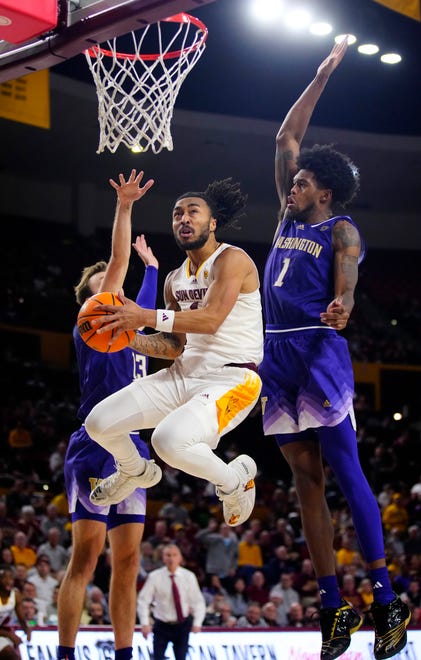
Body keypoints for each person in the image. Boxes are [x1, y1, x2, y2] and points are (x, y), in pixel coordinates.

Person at [258, 38, 411, 660]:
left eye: (300, 182)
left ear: (322, 190)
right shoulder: (286, 222)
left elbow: (347, 272)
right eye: (292, 182)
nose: (290, 185)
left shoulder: (337, 227)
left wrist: (344, 303)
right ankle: (331, 604)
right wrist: (320, 75)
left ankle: (385, 597)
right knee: (304, 481)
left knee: (345, 470)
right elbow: (284, 139)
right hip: (274, 356)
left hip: (319, 350)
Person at [85, 177, 263, 528]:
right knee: (98, 423)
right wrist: (126, 335)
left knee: (168, 441)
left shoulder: (233, 260)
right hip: (182, 374)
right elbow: (173, 346)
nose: (184, 218)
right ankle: (134, 470)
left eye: (193, 212)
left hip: (233, 376)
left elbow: (211, 320)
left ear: (212, 223)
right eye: (177, 213)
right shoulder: (173, 279)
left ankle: (234, 480)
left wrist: (145, 316)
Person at [56, 169, 158, 660]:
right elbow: (117, 262)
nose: (114, 285)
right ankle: (67, 653)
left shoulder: (131, 326)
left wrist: (154, 269)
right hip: (95, 443)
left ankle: (123, 654)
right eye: (105, 284)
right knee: (87, 556)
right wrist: (124, 205)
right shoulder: (96, 318)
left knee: (129, 560)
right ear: (92, 299)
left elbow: (154, 313)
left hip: (132, 446)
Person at [137, 544, 206, 660]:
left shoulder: (188, 576)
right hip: (162, 625)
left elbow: (197, 601)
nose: (171, 558)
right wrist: (145, 623)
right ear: (163, 558)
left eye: (174, 555)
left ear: (180, 558)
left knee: (181, 657)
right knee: (158, 657)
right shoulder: (155, 576)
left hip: (182, 625)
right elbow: (143, 600)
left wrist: (197, 622)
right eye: (168, 555)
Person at [0, 566, 31, 660]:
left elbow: (21, 619)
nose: (9, 581)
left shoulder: (16, 596)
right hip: (4, 633)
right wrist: (10, 635)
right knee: (10, 654)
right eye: (4, 578)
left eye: (11, 578)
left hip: (2, 633)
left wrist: (27, 630)